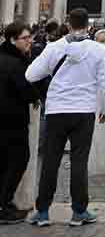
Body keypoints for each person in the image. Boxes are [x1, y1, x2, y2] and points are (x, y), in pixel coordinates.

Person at [25, 8, 105, 227]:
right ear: (88, 25)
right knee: (79, 162)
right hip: (84, 111)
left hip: (56, 111)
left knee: (50, 162)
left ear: (68, 23)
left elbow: (30, 74)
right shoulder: (97, 50)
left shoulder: (54, 48)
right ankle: (79, 211)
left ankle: (43, 211)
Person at [0, 21, 39, 224]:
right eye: (25, 38)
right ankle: (4, 205)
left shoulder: (6, 57)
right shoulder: (16, 63)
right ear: (12, 39)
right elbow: (26, 90)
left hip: (5, 119)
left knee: (4, 162)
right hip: (12, 120)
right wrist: (36, 96)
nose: (29, 41)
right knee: (18, 160)